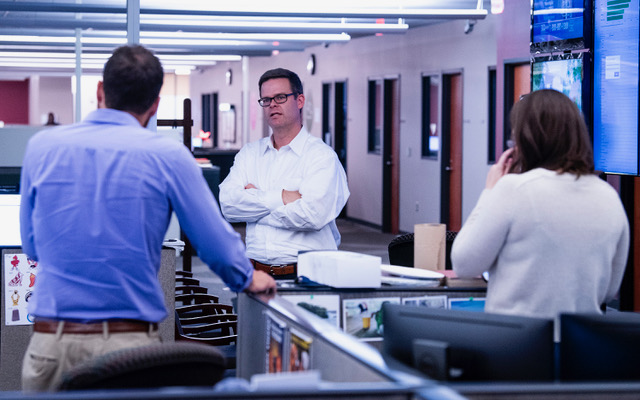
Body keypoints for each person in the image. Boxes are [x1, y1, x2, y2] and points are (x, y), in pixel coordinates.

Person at [19, 45, 275, 392]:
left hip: (51, 343)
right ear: (155, 105)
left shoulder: (40, 148)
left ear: (100, 91)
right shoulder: (168, 155)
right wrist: (247, 278)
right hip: (126, 353)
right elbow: (214, 245)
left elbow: (32, 246)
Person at [451, 89, 629, 332]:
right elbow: (609, 289)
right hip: (581, 349)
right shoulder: (609, 197)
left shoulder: (513, 189)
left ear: (524, 140)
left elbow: (464, 264)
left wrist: (489, 191)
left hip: (518, 346)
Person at [219, 68, 349, 279]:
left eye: (280, 97)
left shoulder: (321, 157)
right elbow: (228, 206)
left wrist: (255, 208)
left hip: (307, 276)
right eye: (266, 99)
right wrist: (282, 197)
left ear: (299, 100)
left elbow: (312, 216)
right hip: (255, 274)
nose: (272, 104)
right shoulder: (249, 154)